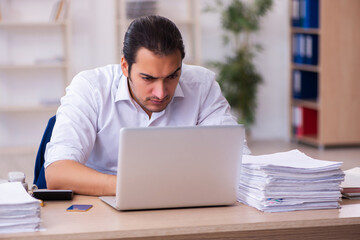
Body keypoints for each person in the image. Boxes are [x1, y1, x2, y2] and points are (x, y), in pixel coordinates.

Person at [44, 15, 250, 196]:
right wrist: (135, 187)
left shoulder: (201, 85)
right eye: (148, 78)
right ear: (125, 66)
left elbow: (238, 161)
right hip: (102, 205)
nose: (161, 92)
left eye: (172, 76)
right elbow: (58, 173)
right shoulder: (91, 88)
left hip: (181, 203)